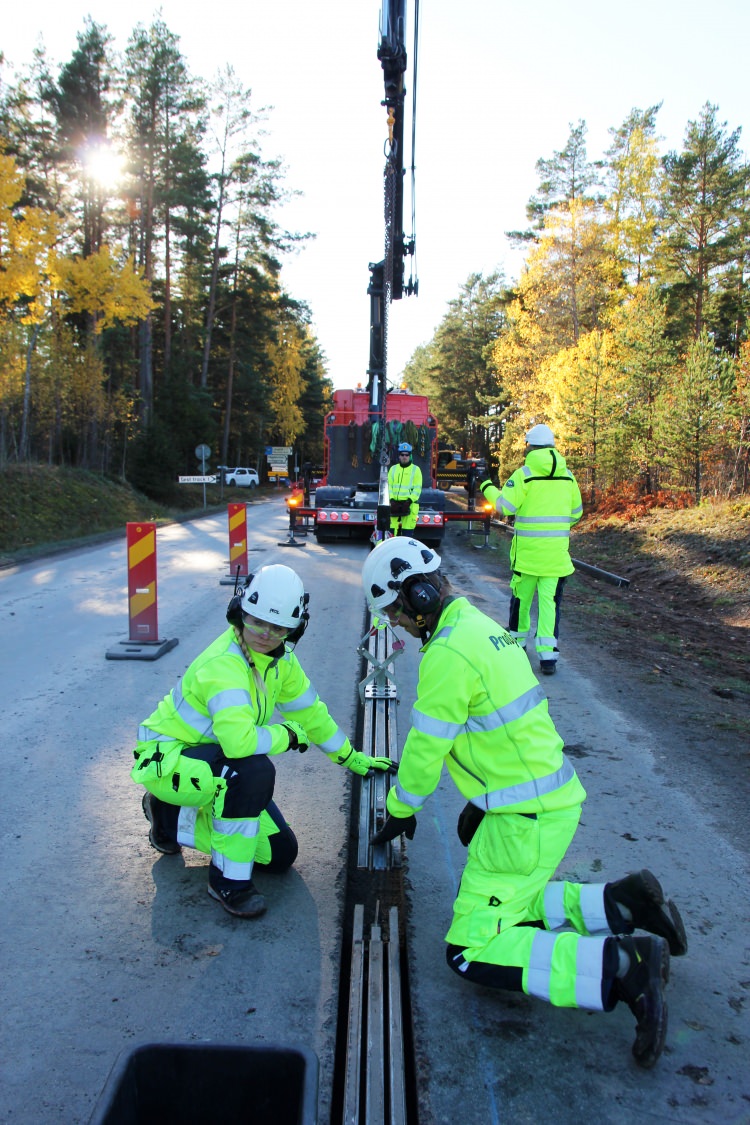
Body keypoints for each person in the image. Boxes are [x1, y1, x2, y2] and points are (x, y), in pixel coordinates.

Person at [361, 537, 687, 1069]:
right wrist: (484, 797)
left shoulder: (447, 653)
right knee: (518, 901)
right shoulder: (480, 627)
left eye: (395, 613)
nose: (397, 625)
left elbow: (425, 749)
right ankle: (626, 904)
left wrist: (400, 809)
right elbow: (501, 728)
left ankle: (622, 965)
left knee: (471, 950)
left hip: (524, 818)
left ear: (417, 598)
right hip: (542, 801)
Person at [132, 564, 394, 918]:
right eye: (256, 621)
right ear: (239, 611)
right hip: (167, 761)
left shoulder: (281, 661)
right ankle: (228, 883)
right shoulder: (224, 665)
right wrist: (287, 735)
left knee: (279, 854)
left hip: (209, 762)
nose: (265, 634)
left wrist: (352, 758)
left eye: (278, 627)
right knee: (251, 772)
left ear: (294, 628)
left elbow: (312, 715)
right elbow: (239, 745)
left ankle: (169, 818)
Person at [480, 423, 582, 675]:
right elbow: (576, 513)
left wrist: (486, 487)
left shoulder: (524, 475)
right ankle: (548, 658)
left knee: (521, 601)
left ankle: (517, 646)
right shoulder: (568, 477)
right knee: (550, 606)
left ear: (530, 447)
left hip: (526, 558)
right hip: (555, 558)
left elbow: (504, 507)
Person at [387, 441, 422, 535]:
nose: (404, 457)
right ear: (399, 455)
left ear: (410, 456)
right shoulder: (393, 469)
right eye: (402, 454)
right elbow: (389, 486)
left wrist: (409, 501)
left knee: (407, 534)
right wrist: (392, 500)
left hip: (409, 505)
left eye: (407, 455)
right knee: (390, 533)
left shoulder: (416, 470)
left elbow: (417, 489)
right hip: (394, 505)